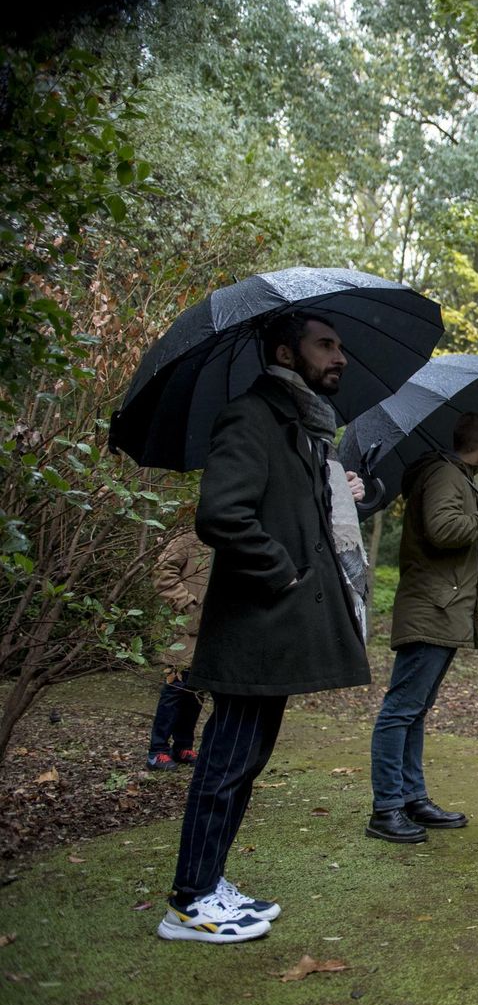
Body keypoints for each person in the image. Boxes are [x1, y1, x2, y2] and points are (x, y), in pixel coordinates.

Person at [157, 313, 373, 944]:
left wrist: (341, 491)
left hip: (275, 631)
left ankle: (210, 880)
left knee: (244, 761)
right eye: (325, 345)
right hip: (255, 626)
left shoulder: (301, 427)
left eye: (340, 345)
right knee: (224, 761)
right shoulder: (252, 417)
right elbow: (221, 515)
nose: (340, 357)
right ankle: (189, 902)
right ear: (285, 351)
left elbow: (297, 514)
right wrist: (283, 575)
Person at [365, 410, 478, 843]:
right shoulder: (446, 476)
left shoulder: (457, 477)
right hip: (431, 606)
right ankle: (386, 808)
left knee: (415, 710)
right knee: (400, 710)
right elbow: (444, 529)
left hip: (442, 607)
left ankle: (412, 798)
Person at [146, 526, 210, 771]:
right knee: (175, 688)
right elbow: (162, 570)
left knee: (197, 690)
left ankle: (183, 746)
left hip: (211, 629)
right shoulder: (190, 535)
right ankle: (157, 750)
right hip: (185, 629)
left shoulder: (222, 535)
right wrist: (187, 605)